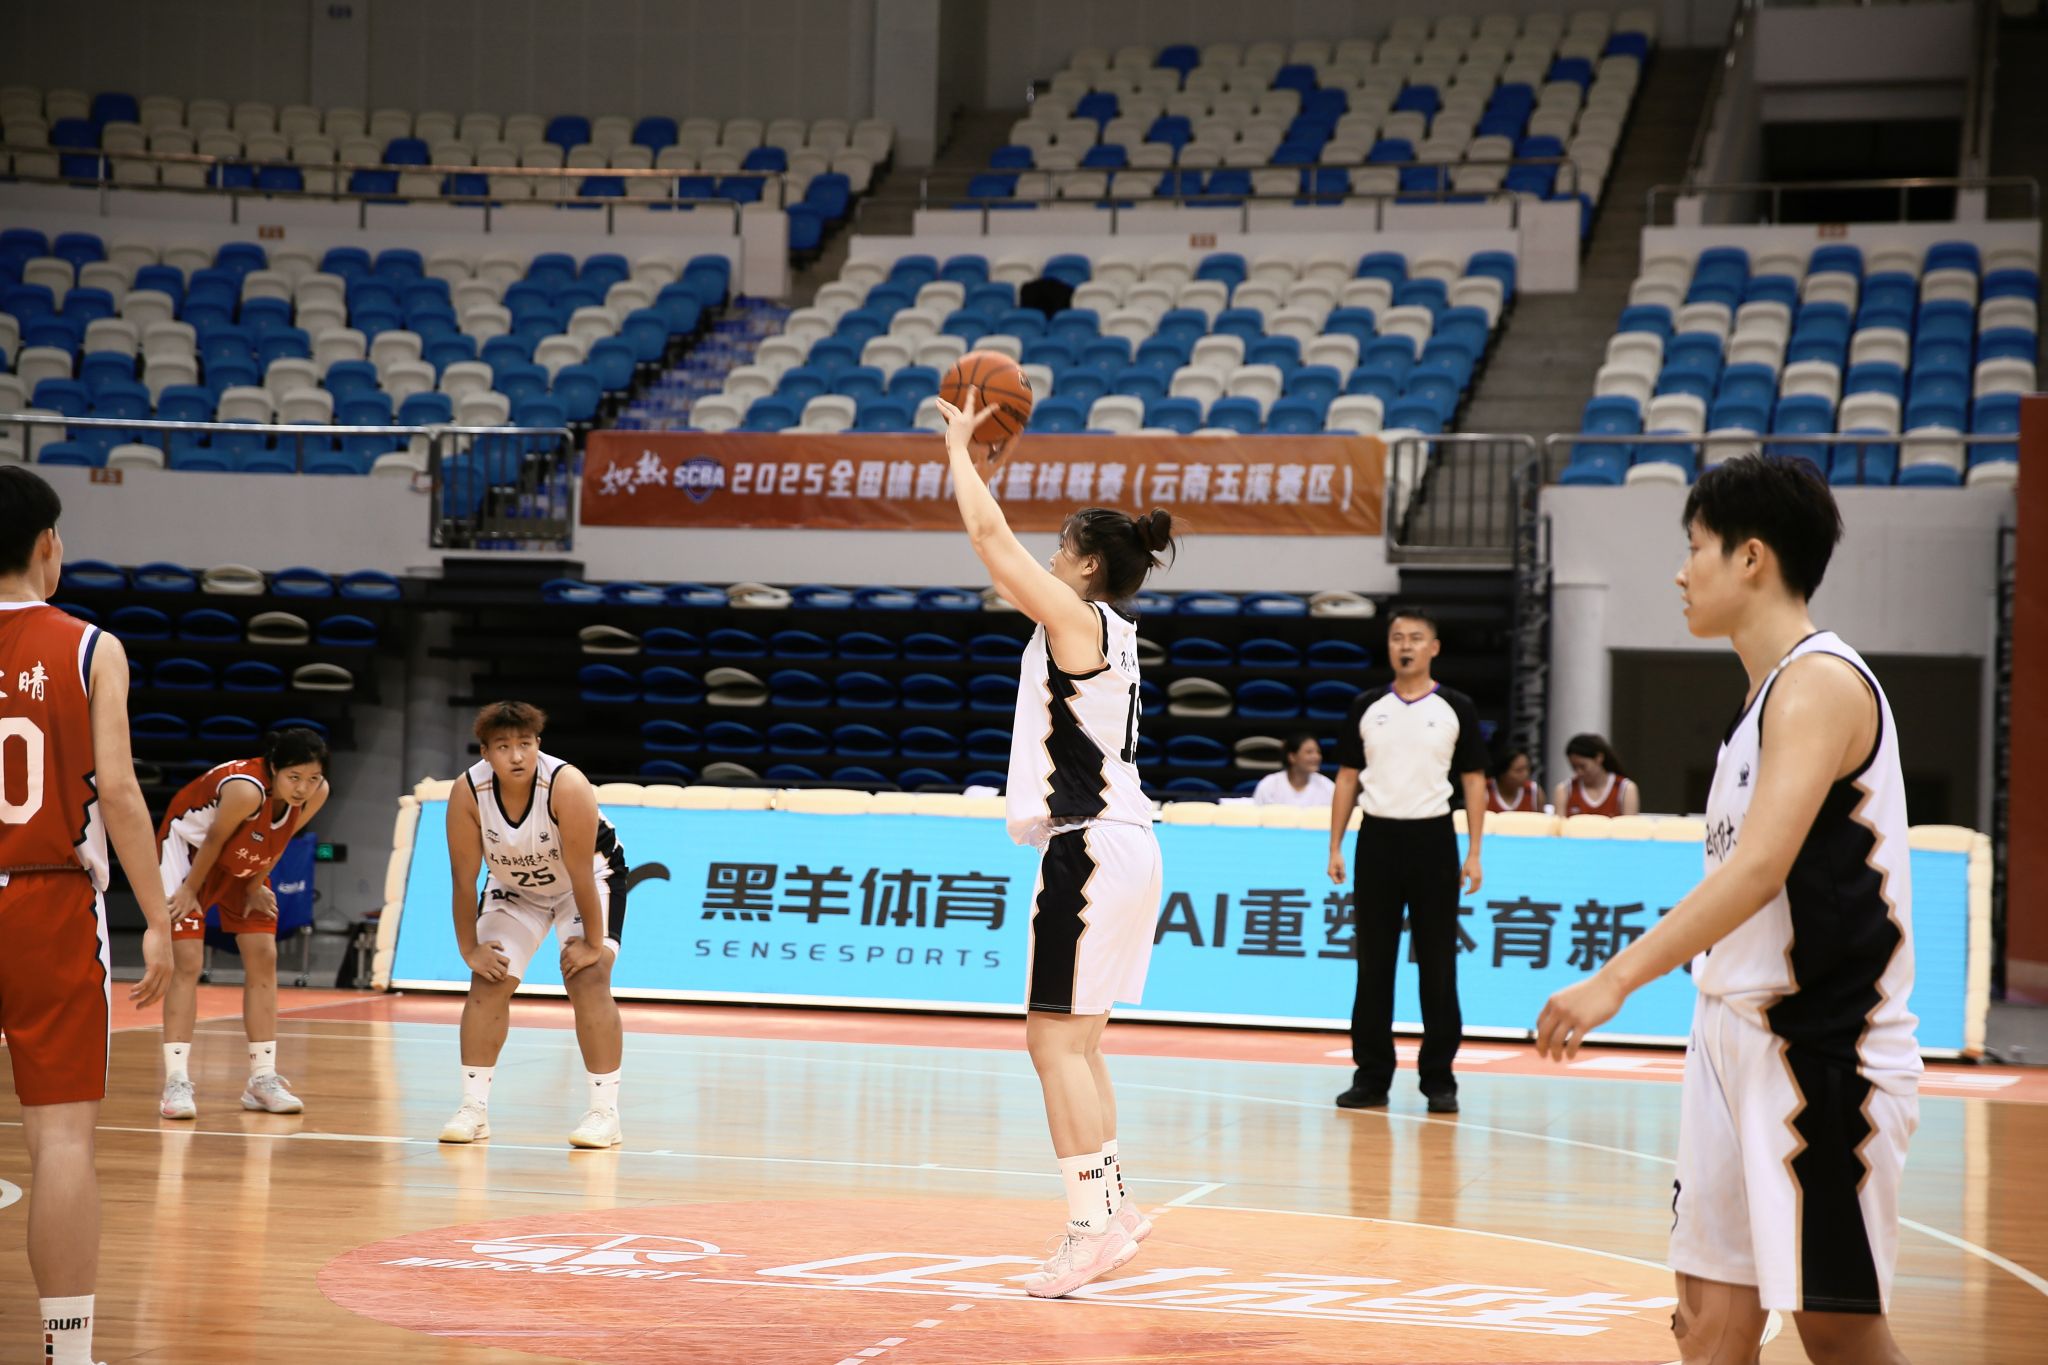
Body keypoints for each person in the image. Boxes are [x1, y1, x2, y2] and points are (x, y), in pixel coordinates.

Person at [1537, 456, 1920, 1365]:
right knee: (1707, 1322)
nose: (1681, 572)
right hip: (1729, 1030)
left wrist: (1614, 979)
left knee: (1838, 1329)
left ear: (1752, 557)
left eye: (1695, 548)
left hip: (1821, 1050)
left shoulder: (1821, 682)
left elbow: (1758, 869)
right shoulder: (1755, 702)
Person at [938, 390, 1172, 1299]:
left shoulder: (1078, 622)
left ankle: (1090, 1228)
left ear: (1087, 564)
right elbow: (1004, 549)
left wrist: (961, 454)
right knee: (1081, 1043)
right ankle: (1114, 1206)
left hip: (1091, 848)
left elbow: (988, 542)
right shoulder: (1111, 629)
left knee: (1052, 1044)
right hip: (1126, 840)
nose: (1046, 558)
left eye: (1060, 548)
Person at [0, 466, 172, 1365]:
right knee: (61, 1141)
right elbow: (120, 792)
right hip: (48, 899)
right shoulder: (90, 648)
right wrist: (160, 918)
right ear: (47, 545)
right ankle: (67, 1355)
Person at [439, 701, 630, 1150]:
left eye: (525, 744)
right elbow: (463, 880)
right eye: (504, 747)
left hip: (585, 881)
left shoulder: (567, 784)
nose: (517, 756)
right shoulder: (468, 792)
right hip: (515, 888)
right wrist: (469, 949)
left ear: (538, 744)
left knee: (589, 976)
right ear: (485, 752)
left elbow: (581, 874)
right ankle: (473, 1108)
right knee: (489, 977)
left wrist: (593, 944)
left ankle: (605, 1113)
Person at [1327, 607, 1487, 1115]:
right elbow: (1347, 778)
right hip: (1376, 838)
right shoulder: (1367, 705)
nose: (1406, 645)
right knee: (1373, 965)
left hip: (1434, 839)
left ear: (1433, 647)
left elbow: (1474, 781)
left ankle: (1439, 1080)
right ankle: (1371, 1077)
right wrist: (1335, 845)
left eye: (1416, 638)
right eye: (1398, 637)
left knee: (1437, 965)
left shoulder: (1456, 706)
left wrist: (1475, 852)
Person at [156, 727, 331, 1119]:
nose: (303, 788)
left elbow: (281, 838)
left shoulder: (317, 793)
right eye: (294, 777)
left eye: (312, 778)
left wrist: (254, 885)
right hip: (189, 855)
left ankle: (261, 1079)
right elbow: (214, 840)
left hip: (240, 855)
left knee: (264, 955)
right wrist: (189, 890)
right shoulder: (246, 789)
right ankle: (176, 1082)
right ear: (273, 767)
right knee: (188, 962)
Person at [1555, 732, 1640, 817]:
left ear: (1599, 758)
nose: (1579, 772)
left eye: (1582, 766)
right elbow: (1560, 824)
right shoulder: (1565, 790)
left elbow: (1629, 824)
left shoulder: (1625, 789)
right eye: (1574, 767)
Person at [1252, 733, 1335, 808]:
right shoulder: (1268, 785)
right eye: (1309, 752)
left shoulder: (1328, 787)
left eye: (1318, 752)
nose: (1316, 757)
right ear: (1292, 757)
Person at [1487, 744, 1546, 814]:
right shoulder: (1485, 791)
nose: (1526, 774)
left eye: (1528, 769)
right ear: (1502, 773)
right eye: (1519, 770)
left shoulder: (1534, 792)